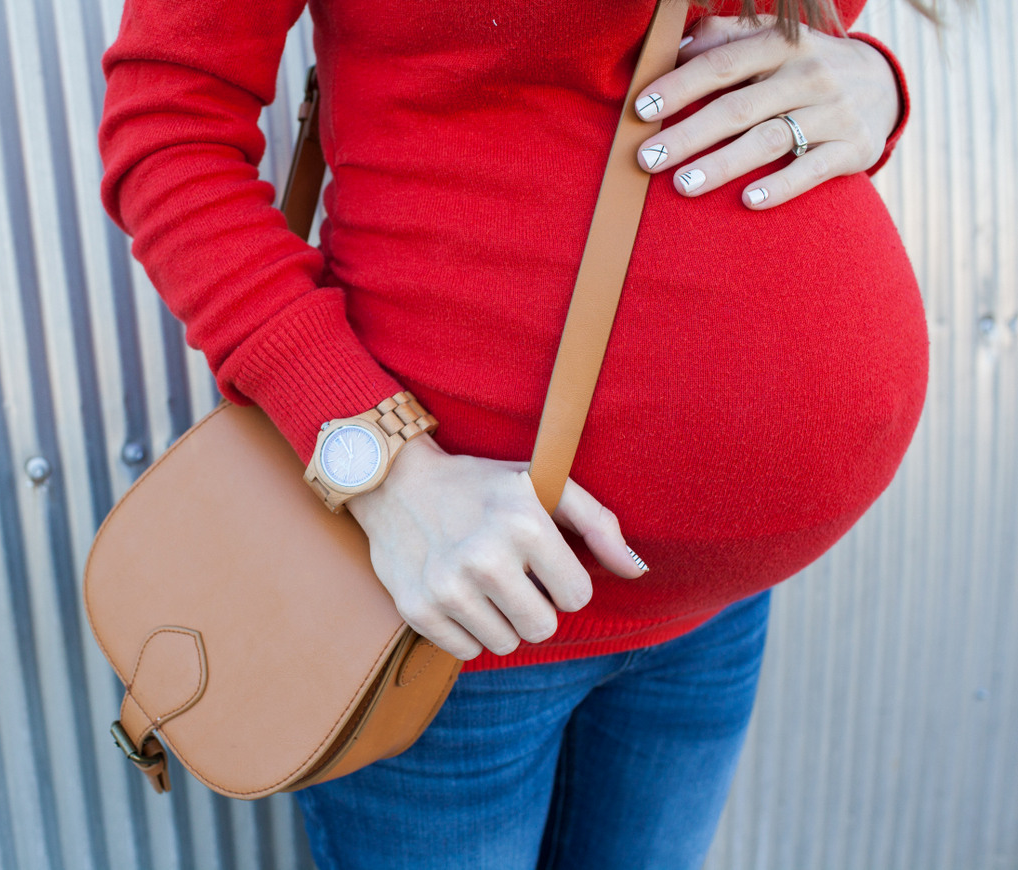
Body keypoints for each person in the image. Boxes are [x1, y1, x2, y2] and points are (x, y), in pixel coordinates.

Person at [98, 0, 939, 866]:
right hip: (451, 622)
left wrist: (872, 84)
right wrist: (380, 467)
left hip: (710, 617)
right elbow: (167, 127)